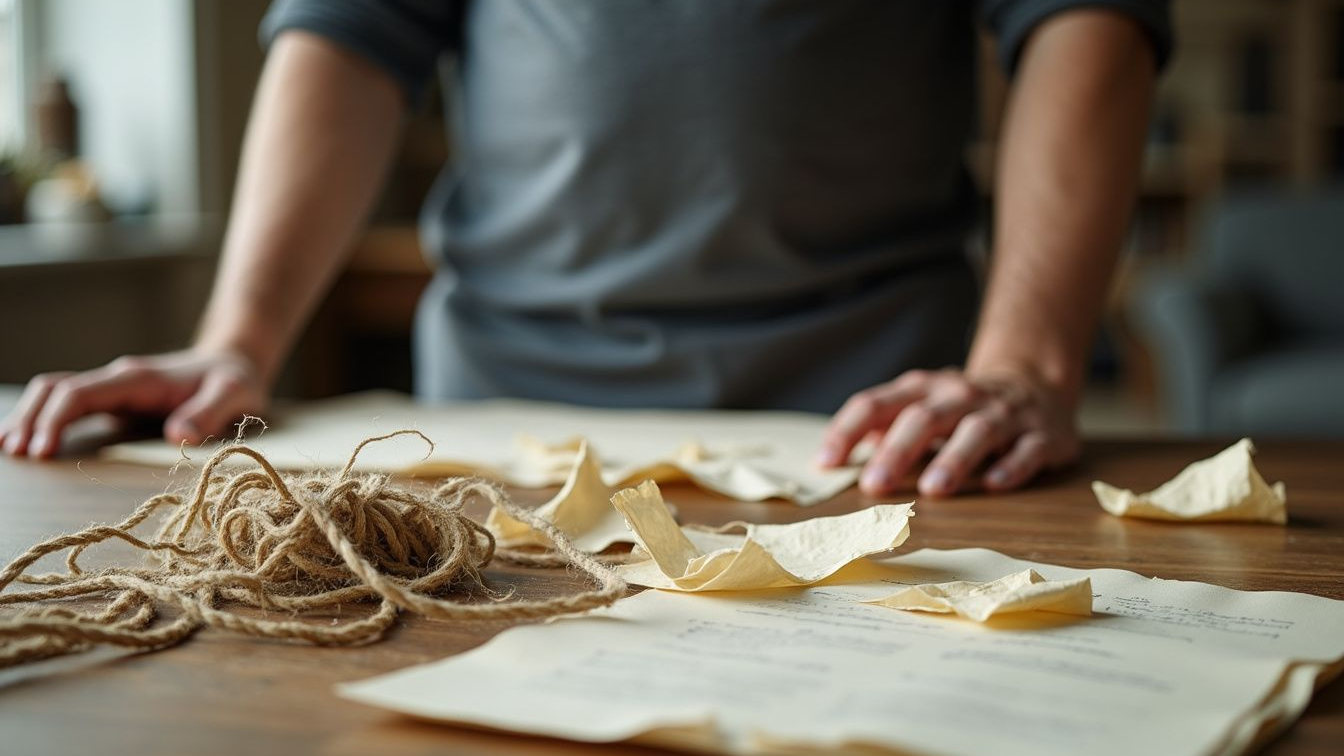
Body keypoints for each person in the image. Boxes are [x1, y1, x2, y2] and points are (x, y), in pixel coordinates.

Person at [0, 0, 1169, 499]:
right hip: (495, 441)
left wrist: (1025, 362)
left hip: (884, 436)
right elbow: (355, 34)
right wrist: (237, 340)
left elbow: (1081, 19)